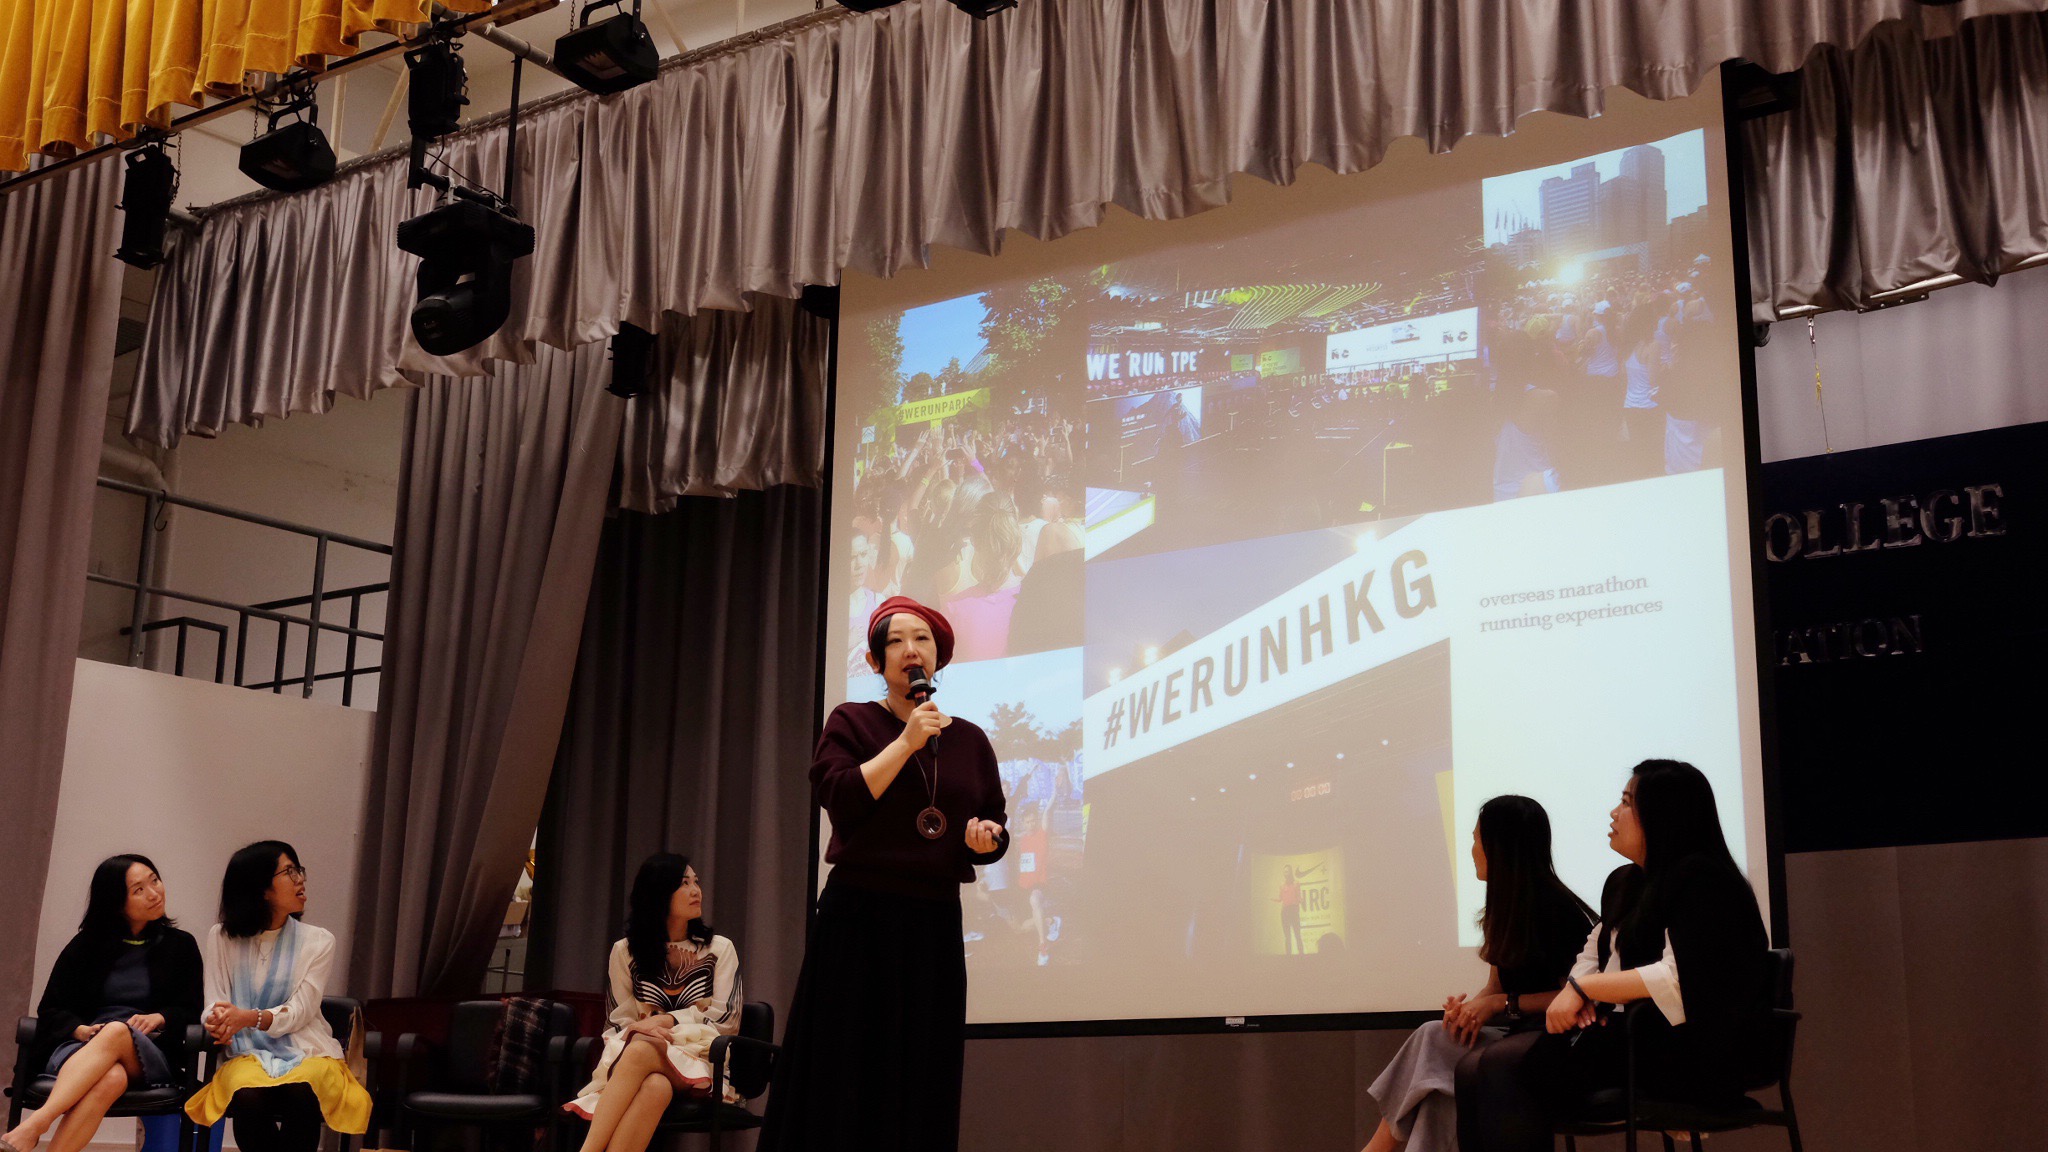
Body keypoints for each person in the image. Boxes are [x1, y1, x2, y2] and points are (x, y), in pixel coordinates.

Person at [760, 596, 1010, 1152]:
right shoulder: (852, 721)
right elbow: (840, 796)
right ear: (875, 662)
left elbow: (993, 822)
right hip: (859, 917)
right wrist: (905, 742)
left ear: (939, 657)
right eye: (895, 642)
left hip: (933, 921)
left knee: (922, 1066)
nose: (910, 650)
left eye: (921, 639)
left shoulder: (971, 739)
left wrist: (987, 839)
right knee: (845, 1064)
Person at [1457, 761, 1771, 1152]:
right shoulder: (1627, 881)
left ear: (1661, 815)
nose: (1613, 813)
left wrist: (1585, 990)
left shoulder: (1704, 881)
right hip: (1629, 1034)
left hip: (1688, 1048)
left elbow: (1677, 977)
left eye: (1625, 802)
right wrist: (1579, 991)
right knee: (1473, 1069)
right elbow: (1595, 950)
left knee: (1505, 1066)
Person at [1358, 796, 1594, 1152]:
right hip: (1513, 1036)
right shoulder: (1505, 907)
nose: (1471, 850)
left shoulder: (1557, 911)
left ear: (1499, 846)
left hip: (1552, 1046)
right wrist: (1468, 1010)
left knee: (1434, 1049)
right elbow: (1495, 986)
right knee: (1439, 1073)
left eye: (1476, 839)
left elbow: (1575, 995)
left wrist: (1501, 1004)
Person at [2, 856, 201, 1152]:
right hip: (84, 1049)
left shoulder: (181, 945)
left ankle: (37, 1124)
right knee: (112, 1077)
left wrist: (160, 1017)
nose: (154, 893)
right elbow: (51, 1010)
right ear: (116, 902)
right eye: (138, 889)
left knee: (117, 1031)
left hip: (151, 1051)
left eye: (154, 880)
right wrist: (80, 1030)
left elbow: (192, 1009)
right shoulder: (85, 946)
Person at [185, 843, 370, 1152]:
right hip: (246, 1051)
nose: (301, 879)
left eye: (299, 870)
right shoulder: (221, 936)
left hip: (307, 1049)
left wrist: (248, 1018)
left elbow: (301, 1010)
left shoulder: (319, 941)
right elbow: (214, 1002)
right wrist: (217, 1020)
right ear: (261, 889)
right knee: (247, 1093)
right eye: (289, 872)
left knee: (302, 1089)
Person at [564, 854, 743, 1149]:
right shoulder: (624, 952)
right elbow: (618, 1022)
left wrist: (667, 1021)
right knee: (655, 1086)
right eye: (684, 883)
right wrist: (646, 1032)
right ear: (659, 893)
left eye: (696, 882)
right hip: (641, 1061)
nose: (696, 891)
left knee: (640, 1048)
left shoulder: (719, 949)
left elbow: (727, 1020)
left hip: (701, 1059)